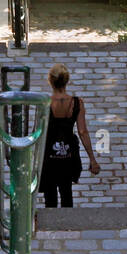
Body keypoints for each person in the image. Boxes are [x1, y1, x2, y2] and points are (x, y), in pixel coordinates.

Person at [39, 63, 100, 207]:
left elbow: (39, 132)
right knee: (67, 192)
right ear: (67, 81)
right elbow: (82, 131)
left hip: (49, 155)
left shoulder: (44, 103)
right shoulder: (77, 103)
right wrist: (92, 159)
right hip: (69, 154)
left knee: (50, 196)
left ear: (50, 81)